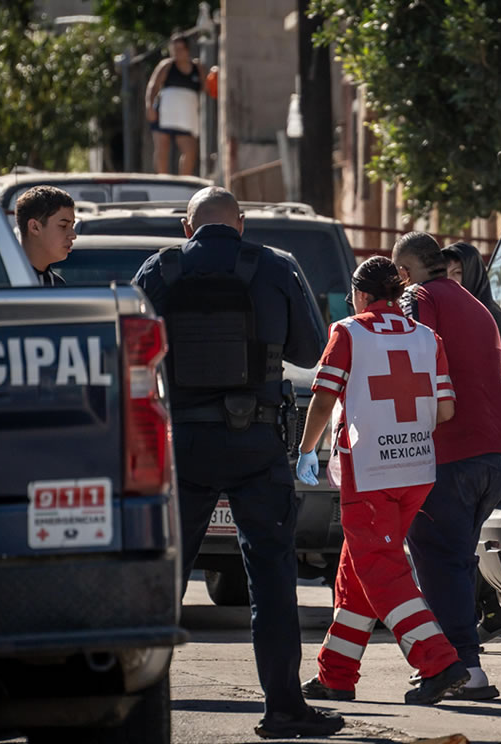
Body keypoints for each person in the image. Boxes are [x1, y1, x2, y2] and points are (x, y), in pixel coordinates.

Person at [132, 187, 343, 740]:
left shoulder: (160, 270)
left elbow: (127, 345)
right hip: (257, 446)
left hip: (184, 448)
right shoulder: (274, 266)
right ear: (242, 225)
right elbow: (310, 349)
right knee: (272, 577)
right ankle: (283, 710)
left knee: (162, 580)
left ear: (187, 227)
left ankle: (132, 706)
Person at [295, 256, 470, 705]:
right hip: (415, 470)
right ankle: (336, 675)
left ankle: (440, 662)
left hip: (368, 471)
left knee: (380, 570)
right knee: (357, 576)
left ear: (360, 294)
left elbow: (323, 396)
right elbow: (446, 411)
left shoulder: (348, 331)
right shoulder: (427, 338)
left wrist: (306, 449)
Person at [392, 232, 501, 701]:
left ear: (404, 272)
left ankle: (463, 668)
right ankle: (457, 660)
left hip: (450, 452)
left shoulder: (417, 298)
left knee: (439, 563)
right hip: (496, 454)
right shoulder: (477, 304)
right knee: (458, 561)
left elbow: (409, 357)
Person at [441, 241, 501, 642]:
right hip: (472, 437)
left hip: (482, 438)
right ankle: (488, 611)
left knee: (457, 541)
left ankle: (467, 628)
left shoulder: (489, 318)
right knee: (463, 539)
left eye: (458, 275)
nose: (452, 284)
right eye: (446, 275)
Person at [145, 33, 205, 175]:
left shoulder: (197, 67)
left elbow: (206, 88)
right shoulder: (166, 66)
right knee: (162, 148)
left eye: (180, 49)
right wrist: (149, 107)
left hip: (186, 117)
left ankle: (184, 180)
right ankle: (162, 178)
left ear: (187, 49)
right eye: (174, 49)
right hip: (165, 113)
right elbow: (153, 86)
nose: (176, 52)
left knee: (190, 151)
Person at [442, 241, 501, 358]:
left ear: (472, 274)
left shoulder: (492, 317)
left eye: (457, 273)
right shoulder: (442, 313)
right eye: (444, 274)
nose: (449, 279)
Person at [15, 185, 75, 286]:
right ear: (34, 227)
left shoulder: (57, 284)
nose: (73, 235)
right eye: (63, 226)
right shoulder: (0, 284)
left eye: (72, 226)